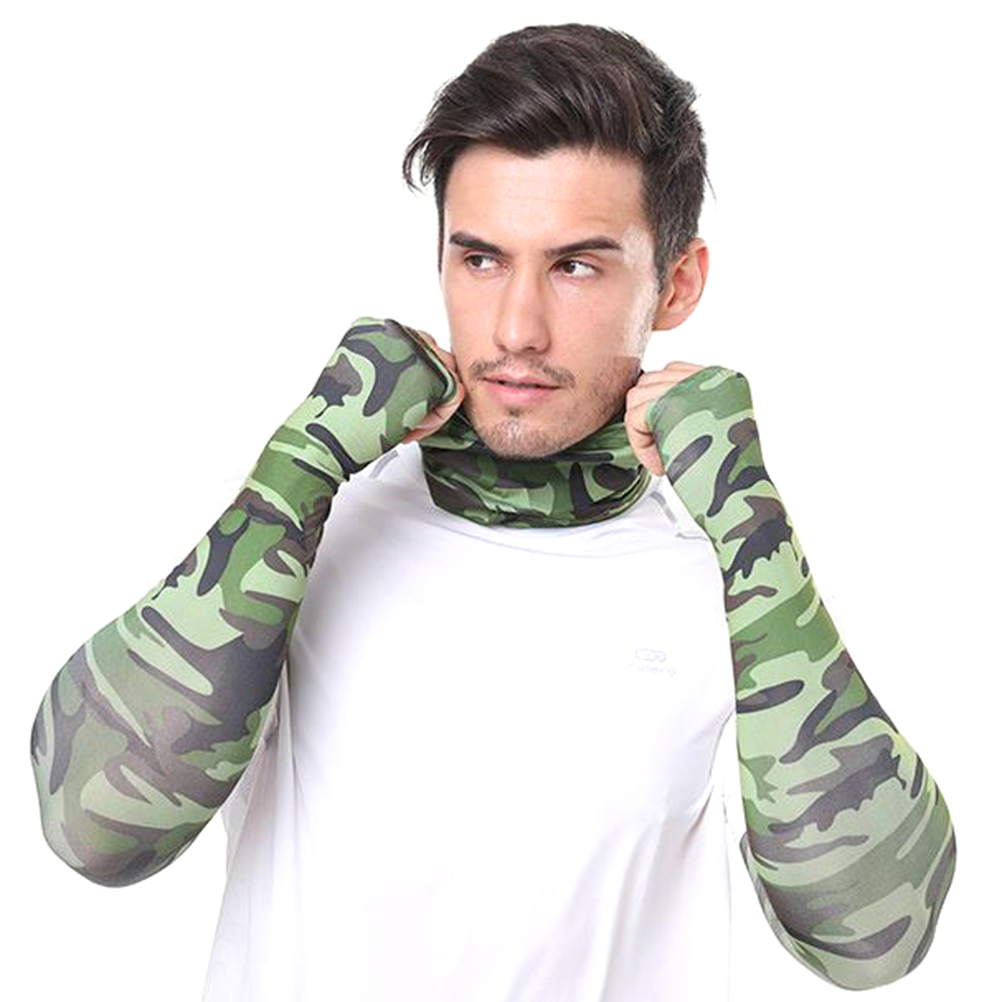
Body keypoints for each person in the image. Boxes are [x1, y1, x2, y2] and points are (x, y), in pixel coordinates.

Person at [28, 22, 956, 1001]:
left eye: (576, 266)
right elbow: (91, 829)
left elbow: (872, 940)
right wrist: (300, 465)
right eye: (480, 260)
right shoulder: (303, 526)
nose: (516, 329)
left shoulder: (727, 573)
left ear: (676, 284)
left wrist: (750, 526)